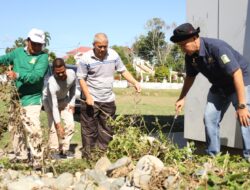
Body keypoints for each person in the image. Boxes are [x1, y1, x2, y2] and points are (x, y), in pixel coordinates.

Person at [170, 23, 250, 159]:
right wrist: (182, 97)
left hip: (239, 82)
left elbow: (236, 73)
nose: (183, 49)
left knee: (245, 118)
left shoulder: (217, 48)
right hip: (219, 87)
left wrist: (242, 105)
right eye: (180, 46)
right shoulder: (190, 56)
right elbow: (190, 77)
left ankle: (248, 158)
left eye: (184, 44)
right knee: (209, 118)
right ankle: (213, 156)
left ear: (195, 38)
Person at [77, 33, 141, 157]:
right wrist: (88, 96)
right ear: (93, 45)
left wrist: (134, 82)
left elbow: (122, 70)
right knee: (89, 130)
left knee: (107, 130)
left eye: (105, 46)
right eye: (99, 46)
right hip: (91, 100)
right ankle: (89, 158)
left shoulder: (113, 55)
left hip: (108, 100)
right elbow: (81, 79)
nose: (102, 49)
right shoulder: (85, 58)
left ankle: (102, 157)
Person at [0, 28, 49, 169]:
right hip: (16, 98)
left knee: (33, 128)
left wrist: (18, 75)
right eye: (34, 43)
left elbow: (36, 76)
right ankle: (21, 156)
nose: (37, 47)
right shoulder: (17, 53)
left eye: (40, 44)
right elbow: (4, 59)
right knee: (15, 128)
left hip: (32, 98)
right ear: (27, 41)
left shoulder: (43, 57)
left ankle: (38, 159)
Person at [43, 58, 76, 158]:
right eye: (58, 73)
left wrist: (72, 103)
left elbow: (73, 88)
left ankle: (64, 150)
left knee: (70, 124)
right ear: (53, 71)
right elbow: (54, 106)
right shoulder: (51, 83)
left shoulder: (72, 74)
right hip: (49, 102)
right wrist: (58, 124)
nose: (61, 74)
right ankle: (54, 151)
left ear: (65, 68)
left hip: (64, 99)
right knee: (53, 127)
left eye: (62, 72)